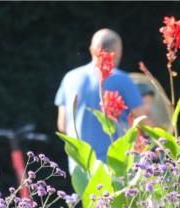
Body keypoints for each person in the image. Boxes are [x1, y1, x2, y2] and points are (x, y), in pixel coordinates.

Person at [54, 29, 151, 170]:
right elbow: (145, 122)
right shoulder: (122, 79)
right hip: (115, 167)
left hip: (80, 168)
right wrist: (148, 103)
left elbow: (62, 125)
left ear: (91, 49)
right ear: (117, 52)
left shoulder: (69, 78)